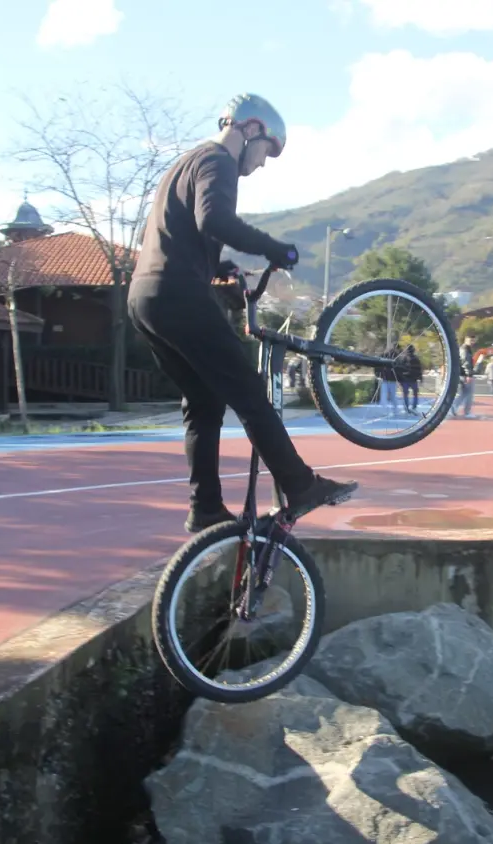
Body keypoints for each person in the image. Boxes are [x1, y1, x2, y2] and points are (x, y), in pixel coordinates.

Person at [128, 93, 358, 533]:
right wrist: (275, 249)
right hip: (177, 293)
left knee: (203, 402)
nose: (263, 162)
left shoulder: (184, 164)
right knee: (248, 390)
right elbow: (214, 220)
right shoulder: (218, 161)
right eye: (267, 150)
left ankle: (205, 509)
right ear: (250, 129)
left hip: (145, 296)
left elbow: (170, 233)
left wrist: (218, 266)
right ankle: (299, 484)